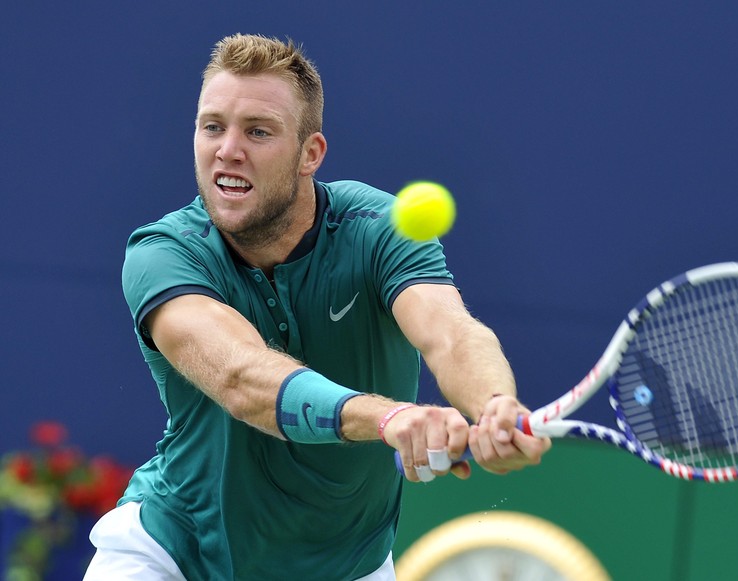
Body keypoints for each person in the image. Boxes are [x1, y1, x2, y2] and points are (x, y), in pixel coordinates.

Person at [84, 33, 550, 580]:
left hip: (348, 567)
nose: (227, 149)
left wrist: (494, 404)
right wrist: (392, 417)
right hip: (175, 556)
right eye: (212, 126)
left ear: (311, 154)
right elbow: (241, 377)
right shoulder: (163, 253)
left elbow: (451, 333)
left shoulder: (380, 226)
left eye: (258, 131)